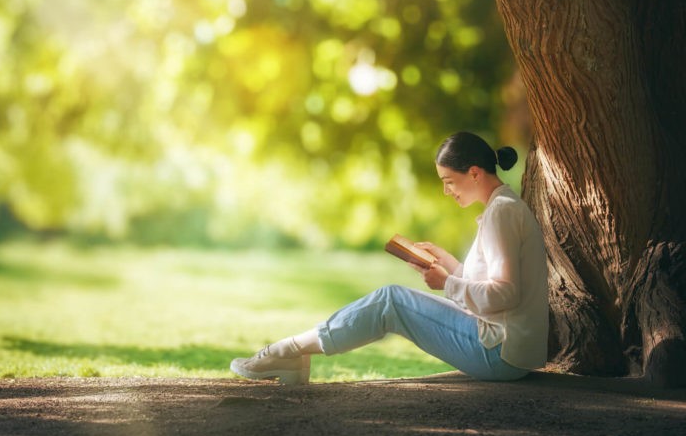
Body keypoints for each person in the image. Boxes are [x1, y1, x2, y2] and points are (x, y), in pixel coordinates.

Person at [230, 132, 549, 384]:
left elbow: (506, 293)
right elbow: (494, 284)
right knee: (391, 300)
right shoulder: (504, 207)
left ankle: (289, 351)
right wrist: (449, 264)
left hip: (499, 354)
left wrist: (448, 283)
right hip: (507, 349)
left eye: (449, 181)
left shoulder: (501, 214)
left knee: (391, 301)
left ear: (475, 173)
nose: (446, 191)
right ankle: (291, 355)